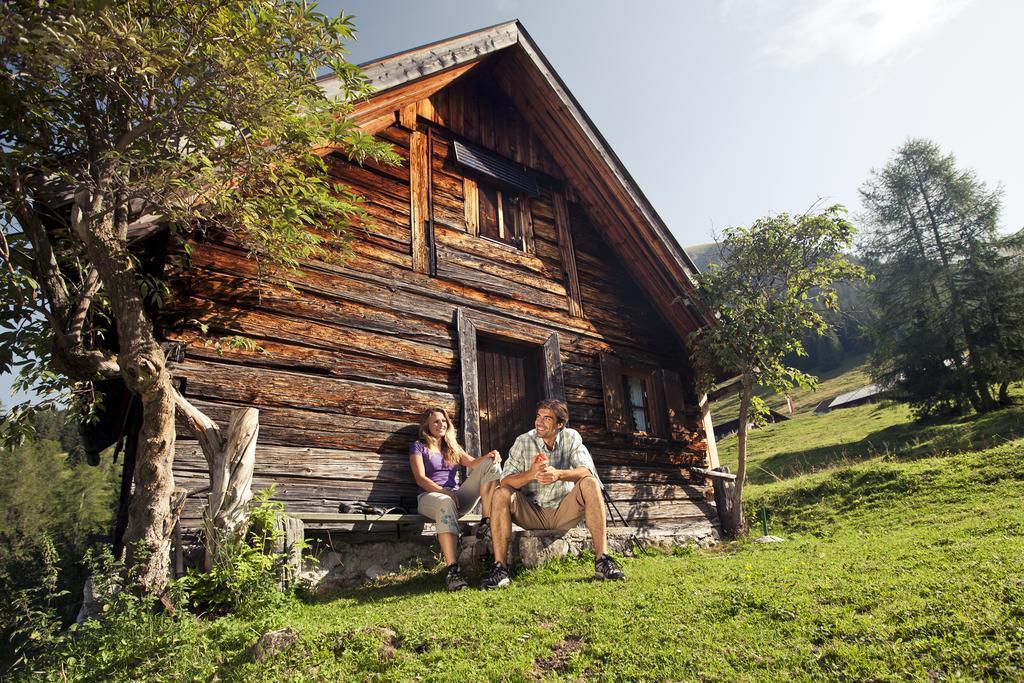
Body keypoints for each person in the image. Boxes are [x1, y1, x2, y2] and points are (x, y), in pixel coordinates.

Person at [482, 399, 625, 588]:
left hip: (564, 511)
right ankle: (500, 569)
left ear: (560, 424)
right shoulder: (524, 441)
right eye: (538, 416)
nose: (539, 422)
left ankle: (602, 560)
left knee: (590, 482)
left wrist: (558, 474)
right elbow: (505, 480)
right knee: (500, 493)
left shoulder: (571, 437)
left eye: (547, 418)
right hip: (532, 512)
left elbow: (586, 470)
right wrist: (531, 474)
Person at [409, 406, 502, 591]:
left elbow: (474, 463)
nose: (441, 424)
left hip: (457, 498)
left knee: (492, 466)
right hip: (431, 497)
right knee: (445, 502)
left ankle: (485, 521)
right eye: (436, 421)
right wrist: (445, 492)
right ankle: (453, 571)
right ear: (427, 425)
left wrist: (491, 455)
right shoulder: (418, 446)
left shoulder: (452, 446)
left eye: (444, 421)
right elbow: (420, 478)